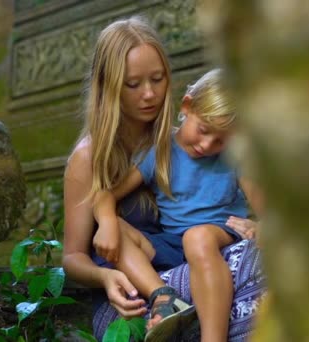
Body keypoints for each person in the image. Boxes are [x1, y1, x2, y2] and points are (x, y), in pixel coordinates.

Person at [61, 16, 265, 341]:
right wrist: (104, 276)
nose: (149, 94)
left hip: (191, 262)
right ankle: (166, 300)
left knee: (256, 259)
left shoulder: (180, 144)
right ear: (109, 85)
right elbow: (72, 258)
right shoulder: (89, 158)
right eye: (133, 84)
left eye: (157, 79)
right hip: (131, 292)